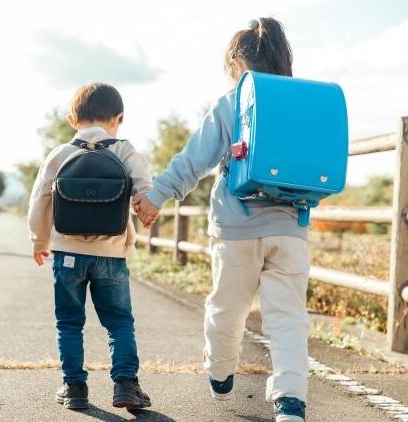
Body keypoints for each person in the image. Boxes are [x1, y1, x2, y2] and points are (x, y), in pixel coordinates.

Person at [133, 17, 310, 422]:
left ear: (236, 63)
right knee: (288, 318)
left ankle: (220, 371)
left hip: (237, 227)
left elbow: (195, 159)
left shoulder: (232, 102)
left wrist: (157, 195)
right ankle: (290, 402)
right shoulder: (300, 100)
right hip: (291, 227)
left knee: (227, 307)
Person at [28, 82, 153, 411]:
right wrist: (145, 208)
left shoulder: (61, 154)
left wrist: (40, 242)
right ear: (118, 118)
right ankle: (126, 384)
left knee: (69, 322)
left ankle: (74, 388)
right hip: (112, 254)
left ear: (73, 119)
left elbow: (39, 202)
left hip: (67, 254)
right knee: (119, 321)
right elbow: (145, 188)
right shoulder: (124, 150)